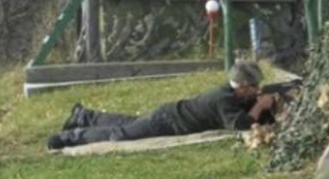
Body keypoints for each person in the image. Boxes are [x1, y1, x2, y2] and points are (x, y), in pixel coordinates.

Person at [45, 60, 277, 150]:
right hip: (166, 122)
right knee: (121, 134)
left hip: (167, 114)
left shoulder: (229, 94)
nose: (257, 91)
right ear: (243, 86)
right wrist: (261, 104)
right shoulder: (223, 99)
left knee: (129, 123)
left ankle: (84, 116)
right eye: (254, 87)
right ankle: (68, 137)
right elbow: (242, 125)